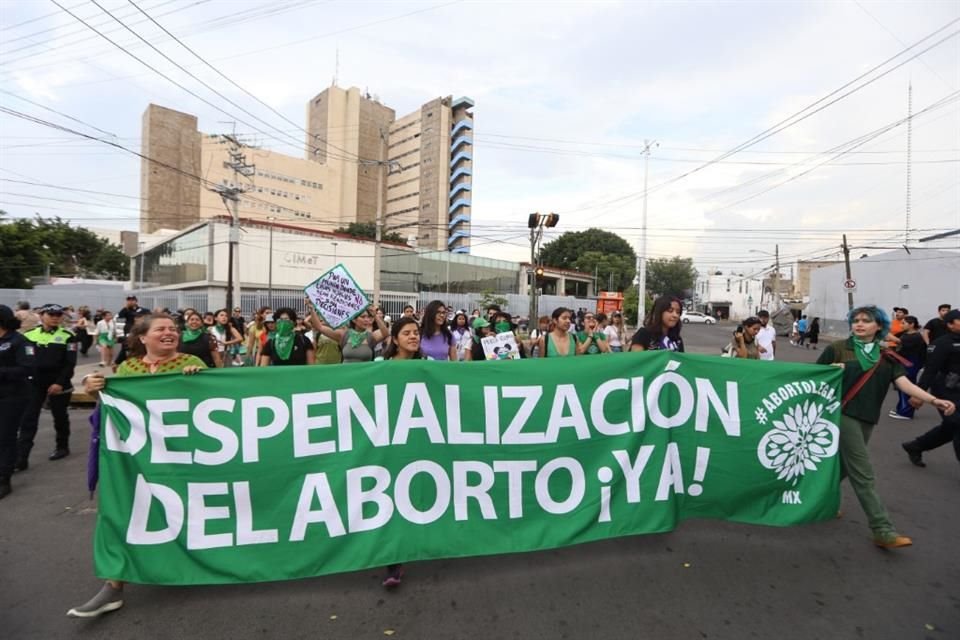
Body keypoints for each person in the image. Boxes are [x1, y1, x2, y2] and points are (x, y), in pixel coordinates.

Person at [68, 313, 206, 618]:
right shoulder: (127, 369)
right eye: (161, 330)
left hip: (183, 458)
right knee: (124, 512)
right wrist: (94, 389)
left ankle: (194, 564)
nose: (170, 333)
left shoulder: (192, 365)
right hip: (136, 460)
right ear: (142, 337)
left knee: (188, 509)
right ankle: (113, 585)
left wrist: (203, 383)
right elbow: (111, 409)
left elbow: (216, 405)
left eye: (173, 329)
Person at [816, 305, 954, 549]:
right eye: (855, 320)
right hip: (840, 413)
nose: (859, 324)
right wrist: (830, 370)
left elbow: (904, 383)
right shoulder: (838, 349)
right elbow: (812, 376)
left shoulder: (887, 356)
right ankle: (882, 529)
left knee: (845, 466)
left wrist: (933, 400)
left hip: (868, 417)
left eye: (866, 321)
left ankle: (819, 500)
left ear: (879, 326)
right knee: (863, 471)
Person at [17, 304, 78, 468]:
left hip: (59, 382)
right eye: (51, 314)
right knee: (28, 419)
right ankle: (21, 457)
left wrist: (59, 382)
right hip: (34, 383)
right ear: (42, 315)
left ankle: (62, 446)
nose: (55, 317)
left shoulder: (68, 336)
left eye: (58, 314)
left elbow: (70, 363)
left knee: (60, 417)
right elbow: (25, 360)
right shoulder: (29, 335)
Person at [901, 308, 960, 468]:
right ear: (950, 324)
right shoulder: (942, 344)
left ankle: (916, 446)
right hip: (946, 390)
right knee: (957, 424)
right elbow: (930, 370)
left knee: (951, 427)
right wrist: (919, 394)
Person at [0, 305, 35, 500]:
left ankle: (4, 478)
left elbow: (27, 368)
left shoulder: (19, 341)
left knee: (5, 437)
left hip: (12, 396)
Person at [307, 304, 387, 364]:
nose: (366, 320)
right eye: (363, 317)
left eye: (368, 317)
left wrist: (375, 316)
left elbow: (385, 333)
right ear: (354, 320)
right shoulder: (344, 335)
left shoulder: (370, 336)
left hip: (365, 378)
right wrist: (312, 309)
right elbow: (319, 327)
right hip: (347, 378)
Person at [889, 315, 926, 420]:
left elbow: (899, 342)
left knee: (907, 388)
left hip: (910, 364)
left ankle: (906, 412)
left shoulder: (915, 336)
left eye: (904, 323)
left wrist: (889, 336)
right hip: (906, 363)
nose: (901, 325)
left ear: (911, 324)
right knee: (902, 387)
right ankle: (901, 409)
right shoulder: (905, 334)